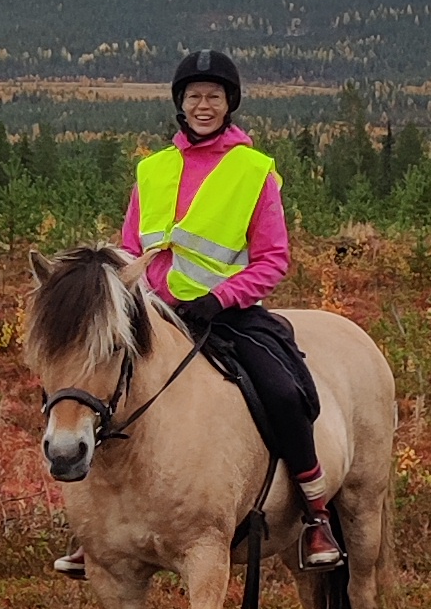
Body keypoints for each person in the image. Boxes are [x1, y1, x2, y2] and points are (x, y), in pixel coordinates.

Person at [110, 49, 339, 567]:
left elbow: (273, 259)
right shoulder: (152, 170)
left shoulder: (253, 172)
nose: (203, 105)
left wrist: (218, 298)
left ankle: (316, 513)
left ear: (229, 103)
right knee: (94, 389)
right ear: (180, 104)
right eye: (194, 96)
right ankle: (100, 525)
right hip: (155, 315)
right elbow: (129, 249)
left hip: (226, 316)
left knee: (283, 392)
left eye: (214, 96)